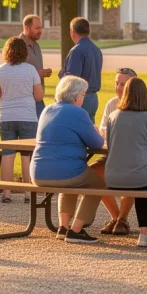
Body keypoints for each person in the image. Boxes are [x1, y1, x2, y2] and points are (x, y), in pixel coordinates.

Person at [30, 76, 105, 244]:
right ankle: (76, 230)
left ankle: (63, 227)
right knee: (99, 184)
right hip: (66, 172)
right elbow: (97, 143)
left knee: (69, 179)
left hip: (38, 172)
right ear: (77, 95)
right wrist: (95, 130)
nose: (84, 98)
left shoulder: (47, 110)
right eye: (84, 94)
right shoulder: (77, 112)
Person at [92, 68, 147, 236]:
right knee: (92, 174)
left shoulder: (146, 107)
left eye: (123, 84)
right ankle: (118, 219)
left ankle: (121, 219)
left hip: (133, 158)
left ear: (130, 88)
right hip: (119, 157)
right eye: (116, 83)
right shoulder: (111, 105)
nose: (119, 88)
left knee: (130, 166)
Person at [104, 77, 147, 249]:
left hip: (112, 177)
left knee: (143, 187)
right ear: (144, 96)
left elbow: (110, 146)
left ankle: (143, 233)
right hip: (139, 174)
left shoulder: (113, 116)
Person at [0, 36, 43, 202]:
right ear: (24, 52)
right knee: (26, 155)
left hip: (6, 116)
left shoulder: (1, 70)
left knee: (7, 154)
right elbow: (38, 96)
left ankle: (6, 193)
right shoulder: (30, 70)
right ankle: (28, 192)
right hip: (27, 116)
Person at [58, 17, 103, 123]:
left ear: (72, 31)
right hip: (93, 98)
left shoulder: (77, 51)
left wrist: (62, 74)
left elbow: (72, 80)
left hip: (80, 98)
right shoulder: (96, 49)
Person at [19, 14, 52, 117]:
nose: (40, 31)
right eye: (37, 28)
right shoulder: (17, 45)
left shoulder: (36, 45)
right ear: (26, 28)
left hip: (38, 98)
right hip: (25, 100)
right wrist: (37, 74)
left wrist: (42, 73)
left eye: (40, 27)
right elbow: (14, 72)